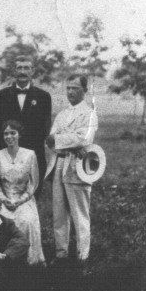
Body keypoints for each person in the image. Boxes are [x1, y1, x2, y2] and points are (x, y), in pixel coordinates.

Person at [47, 76, 98, 265]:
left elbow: (83, 138)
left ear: (84, 90)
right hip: (59, 163)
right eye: (68, 88)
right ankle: (61, 252)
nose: (70, 92)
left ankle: (82, 255)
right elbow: (51, 139)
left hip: (79, 165)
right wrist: (66, 141)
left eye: (75, 88)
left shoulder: (89, 113)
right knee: (59, 212)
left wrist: (63, 140)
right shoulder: (62, 114)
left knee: (79, 212)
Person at [0, 121, 44, 266]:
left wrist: (20, 201)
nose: (9, 137)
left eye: (12, 133)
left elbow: (33, 183)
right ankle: (4, 260)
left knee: (27, 221)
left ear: (19, 135)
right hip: (3, 200)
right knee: (1, 221)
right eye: (6, 133)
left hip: (24, 199)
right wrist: (4, 199)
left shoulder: (30, 155)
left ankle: (28, 260)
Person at [0, 55, 52, 156]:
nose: (22, 72)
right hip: (7, 152)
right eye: (19, 68)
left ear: (32, 71)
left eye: (26, 68)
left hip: (34, 152)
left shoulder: (44, 97)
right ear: (14, 71)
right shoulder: (1, 96)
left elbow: (45, 128)